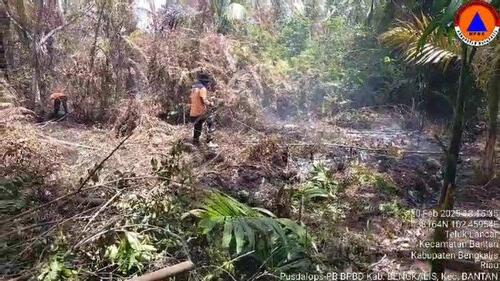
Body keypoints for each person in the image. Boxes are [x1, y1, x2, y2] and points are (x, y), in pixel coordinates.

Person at [189, 75, 214, 145]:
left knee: (197, 127)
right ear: (205, 82)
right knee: (210, 120)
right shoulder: (202, 89)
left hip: (193, 112)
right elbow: (204, 100)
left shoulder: (194, 88)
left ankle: (195, 141)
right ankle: (209, 140)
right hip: (200, 112)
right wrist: (211, 104)